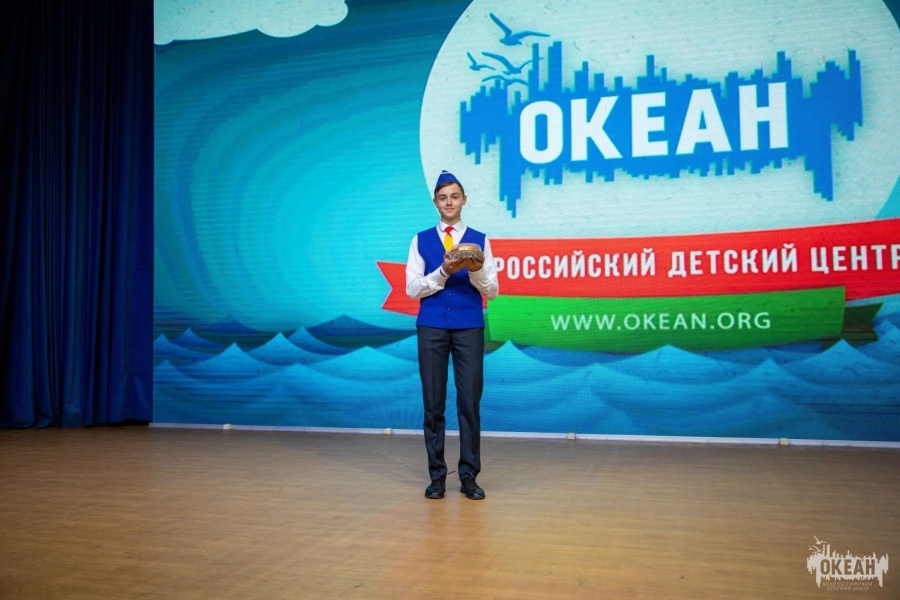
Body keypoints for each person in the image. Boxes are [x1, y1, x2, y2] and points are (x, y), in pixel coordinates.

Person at [405, 170, 499, 500]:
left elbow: (493, 290)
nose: (449, 203)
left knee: (469, 402)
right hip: (431, 326)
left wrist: (476, 270)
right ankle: (437, 477)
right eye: (443, 198)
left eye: (454, 197)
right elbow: (413, 289)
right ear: (435, 202)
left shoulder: (480, 239)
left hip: (469, 327)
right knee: (433, 404)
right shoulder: (420, 240)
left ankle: (469, 476)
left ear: (464, 200)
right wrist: (443, 271)